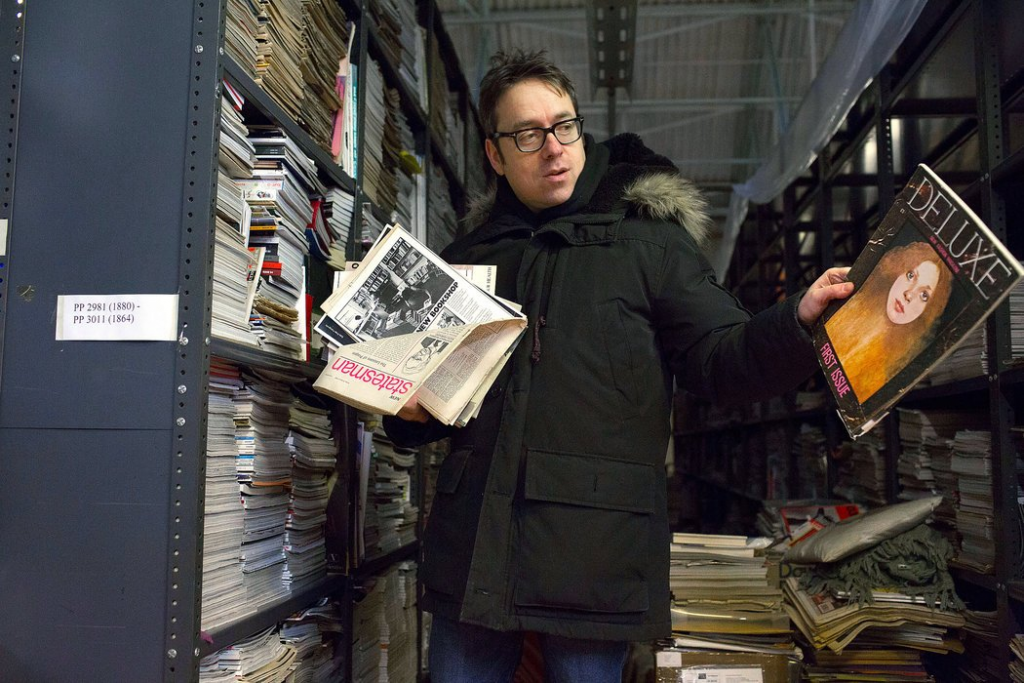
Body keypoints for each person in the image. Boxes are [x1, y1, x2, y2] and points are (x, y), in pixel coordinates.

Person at [382, 48, 853, 683]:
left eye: (564, 125)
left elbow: (721, 359)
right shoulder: (468, 257)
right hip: (475, 550)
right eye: (528, 134)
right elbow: (434, 403)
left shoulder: (648, 240)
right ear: (495, 154)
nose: (554, 148)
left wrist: (797, 320)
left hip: (593, 553)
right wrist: (404, 410)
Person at [824, 240, 952, 402]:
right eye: (911, 275)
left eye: (924, 295)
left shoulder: (890, 365)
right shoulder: (846, 311)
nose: (909, 294)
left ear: (927, 310)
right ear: (897, 271)